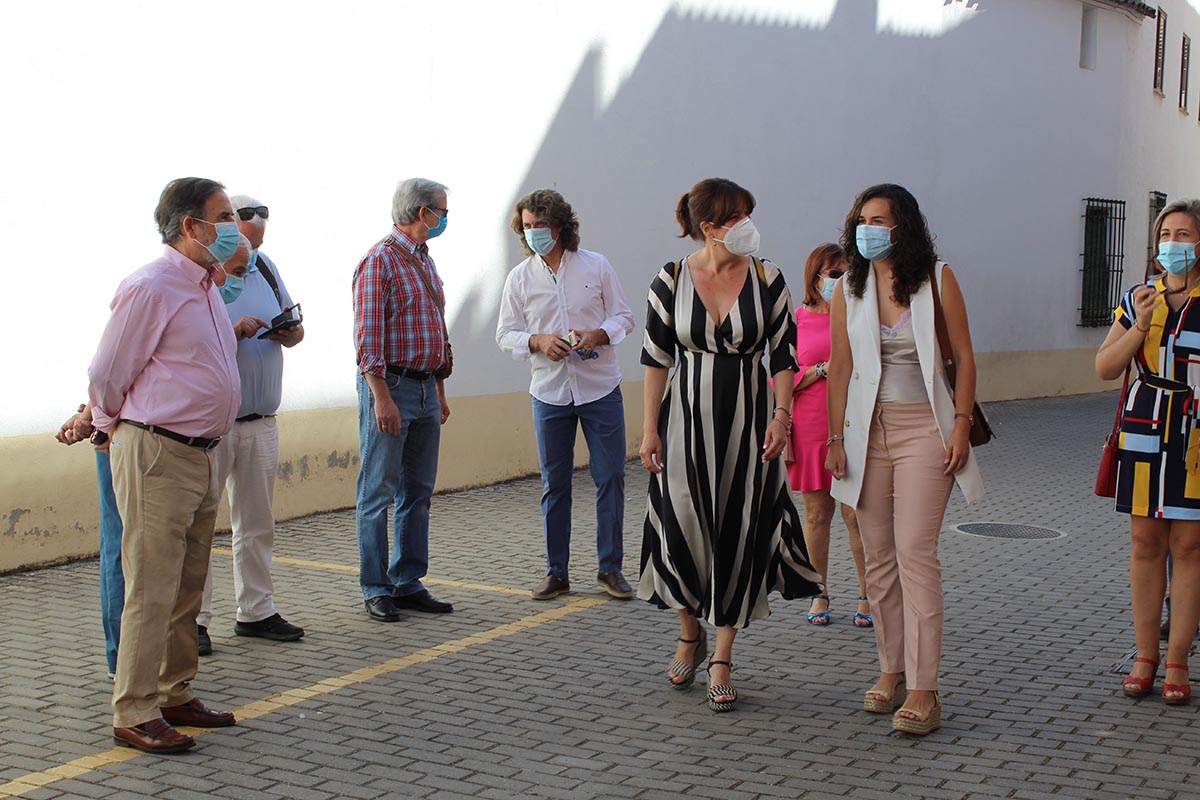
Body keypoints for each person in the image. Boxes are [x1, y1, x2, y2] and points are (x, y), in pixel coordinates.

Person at [639, 177, 821, 713]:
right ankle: (688, 633)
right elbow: (655, 360)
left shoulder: (769, 279)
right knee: (681, 529)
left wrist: (783, 416)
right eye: (737, 216)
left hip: (748, 426)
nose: (748, 225)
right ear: (709, 226)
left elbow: (784, 357)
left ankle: (722, 655)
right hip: (682, 426)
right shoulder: (670, 279)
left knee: (738, 532)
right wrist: (648, 428)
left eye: (749, 213)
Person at [88, 177, 242, 753]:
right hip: (157, 450)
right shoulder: (151, 286)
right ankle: (134, 708)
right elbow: (108, 372)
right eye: (222, 216)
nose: (232, 226)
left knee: (187, 584)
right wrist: (104, 427)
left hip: (203, 452)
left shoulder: (204, 285)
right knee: (151, 585)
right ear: (190, 227)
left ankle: (174, 691)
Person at [826, 183, 984, 735]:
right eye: (861, 219)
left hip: (926, 428)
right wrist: (834, 438)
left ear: (903, 226)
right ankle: (890, 669)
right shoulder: (848, 285)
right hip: (866, 432)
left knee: (915, 551)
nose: (868, 228)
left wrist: (961, 424)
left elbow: (963, 356)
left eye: (879, 220)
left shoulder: (937, 278)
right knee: (877, 557)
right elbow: (841, 368)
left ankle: (925, 687)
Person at [496, 189, 637, 600]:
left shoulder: (596, 265)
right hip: (549, 392)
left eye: (540, 225)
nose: (534, 232)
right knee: (554, 483)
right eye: (527, 226)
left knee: (610, 476)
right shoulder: (520, 278)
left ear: (559, 226)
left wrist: (600, 334)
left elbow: (624, 316)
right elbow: (505, 334)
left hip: (599, 388)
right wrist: (538, 340)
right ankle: (556, 572)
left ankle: (610, 569)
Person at [1095, 198, 1200, 705]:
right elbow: (1105, 367)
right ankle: (1144, 656)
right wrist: (1139, 323)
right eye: (1166, 234)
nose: (1173, 244)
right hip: (1145, 423)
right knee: (1144, 543)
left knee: (1189, 547)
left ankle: (1177, 658)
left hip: (1197, 431)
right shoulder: (1139, 297)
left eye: (1183, 234)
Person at [197, 197, 306, 654]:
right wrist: (233, 328)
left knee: (257, 523)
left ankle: (256, 611)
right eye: (242, 215)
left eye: (263, 214)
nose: (254, 222)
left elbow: (298, 329)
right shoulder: (204, 274)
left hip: (261, 418)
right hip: (213, 424)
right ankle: (193, 621)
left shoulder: (265, 267)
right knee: (200, 526)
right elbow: (194, 336)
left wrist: (290, 331)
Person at [352, 178, 454, 622]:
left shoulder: (425, 261)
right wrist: (381, 399)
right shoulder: (379, 261)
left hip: (426, 386)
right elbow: (367, 340)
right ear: (421, 212)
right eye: (441, 210)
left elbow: (437, 331)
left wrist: (439, 392)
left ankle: (407, 579)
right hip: (391, 388)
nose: (445, 218)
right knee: (377, 492)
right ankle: (376, 587)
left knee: (418, 491)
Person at [787, 243, 870, 628]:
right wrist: (821, 370)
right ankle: (818, 591)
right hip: (809, 424)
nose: (837, 281)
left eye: (844, 274)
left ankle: (869, 594)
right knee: (817, 514)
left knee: (857, 514)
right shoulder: (796, 320)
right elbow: (779, 377)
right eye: (832, 274)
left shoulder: (859, 315)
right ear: (815, 276)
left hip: (853, 422)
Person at [55, 404, 122, 678]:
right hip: (124, 439)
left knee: (119, 545)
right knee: (119, 546)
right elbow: (108, 381)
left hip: (121, 434)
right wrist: (87, 416)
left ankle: (122, 656)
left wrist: (87, 415)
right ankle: (121, 657)